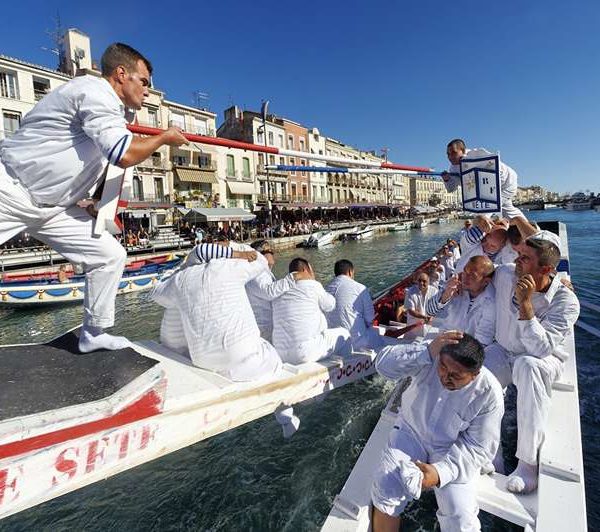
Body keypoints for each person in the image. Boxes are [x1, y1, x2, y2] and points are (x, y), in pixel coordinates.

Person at [0, 42, 188, 353]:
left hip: (54, 208)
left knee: (109, 256)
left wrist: (85, 201)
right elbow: (125, 154)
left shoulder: (110, 115)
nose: (148, 91)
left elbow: (88, 165)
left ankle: (93, 333)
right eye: (144, 82)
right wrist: (164, 138)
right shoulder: (95, 93)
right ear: (121, 74)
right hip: (10, 190)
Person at [371, 331, 504, 531]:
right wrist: (426, 351)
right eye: (443, 367)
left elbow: (478, 448)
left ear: (474, 374)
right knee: (386, 483)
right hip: (411, 432)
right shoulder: (432, 355)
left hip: (452, 449)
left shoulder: (489, 394)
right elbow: (383, 365)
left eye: (456, 375)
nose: (445, 377)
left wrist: (440, 473)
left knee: (460, 515)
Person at [484, 230, 579, 494]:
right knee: (480, 372)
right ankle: (491, 454)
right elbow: (478, 270)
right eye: (519, 254)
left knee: (528, 366)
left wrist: (526, 306)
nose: (517, 260)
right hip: (504, 350)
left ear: (547, 269)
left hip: (544, 360)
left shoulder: (566, 301)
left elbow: (541, 348)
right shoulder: (505, 275)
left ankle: (527, 465)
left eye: (525, 258)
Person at [152, 249, 282, 382]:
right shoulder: (227, 267)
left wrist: (182, 267)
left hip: (204, 362)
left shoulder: (179, 279)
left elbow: (156, 292)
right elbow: (261, 261)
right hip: (244, 359)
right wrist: (236, 252)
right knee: (267, 348)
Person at [272, 258, 352, 364]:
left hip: (280, 354)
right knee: (344, 333)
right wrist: (314, 282)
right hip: (304, 352)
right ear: (306, 269)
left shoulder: (278, 290)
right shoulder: (312, 284)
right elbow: (330, 305)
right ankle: (347, 372)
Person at [442, 138, 524, 219]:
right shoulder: (453, 168)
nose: (450, 157)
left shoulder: (477, 154)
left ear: (463, 151)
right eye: (448, 154)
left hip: (507, 182)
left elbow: (493, 164)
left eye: (454, 152)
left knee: (486, 211)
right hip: (492, 190)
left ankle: (479, 231)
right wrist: (447, 179)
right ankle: (531, 228)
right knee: (508, 210)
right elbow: (451, 189)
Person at [426, 255, 497, 346]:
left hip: (467, 349)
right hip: (443, 341)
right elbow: (429, 311)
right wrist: (446, 294)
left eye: (472, 276)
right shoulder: (454, 286)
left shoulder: (490, 302)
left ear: (486, 281)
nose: (465, 277)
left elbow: (483, 340)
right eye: (465, 271)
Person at [325, 259, 381, 350]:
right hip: (356, 342)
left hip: (331, 343)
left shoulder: (326, 289)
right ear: (350, 272)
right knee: (375, 331)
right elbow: (370, 318)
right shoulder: (360, 288)